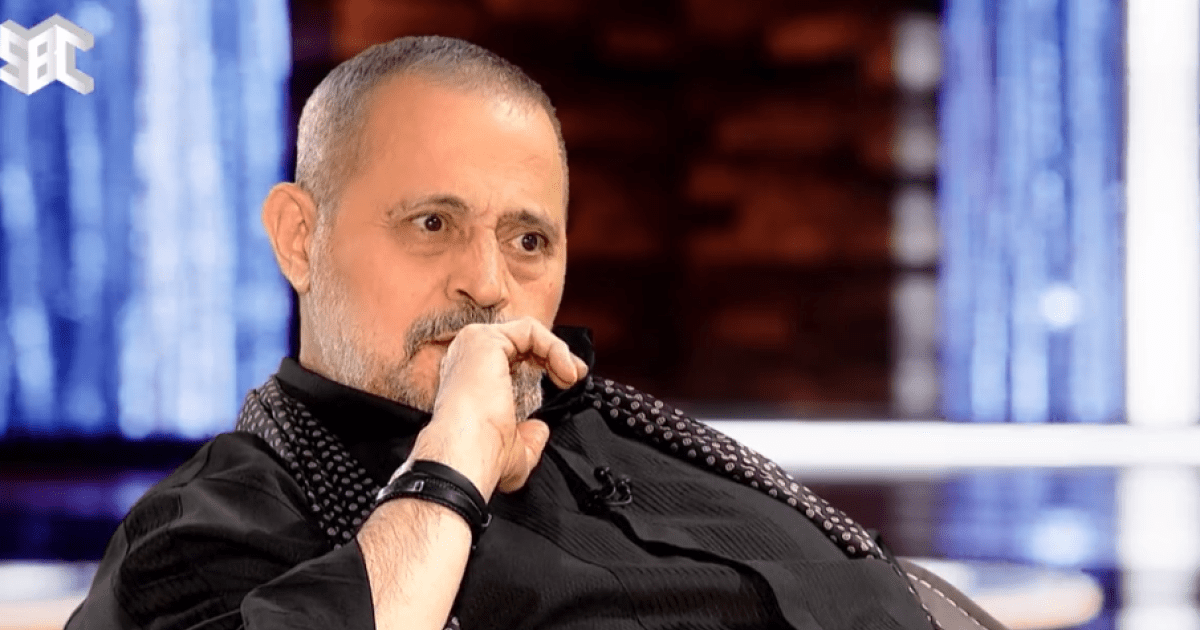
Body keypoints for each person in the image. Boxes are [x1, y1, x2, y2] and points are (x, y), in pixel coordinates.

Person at [67, 35, 992, 630]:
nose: (488, 282)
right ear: (299, 239)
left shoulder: (648, 443)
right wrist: (452, 464)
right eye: (433, 223)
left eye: (528, 240)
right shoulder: (202, 535)